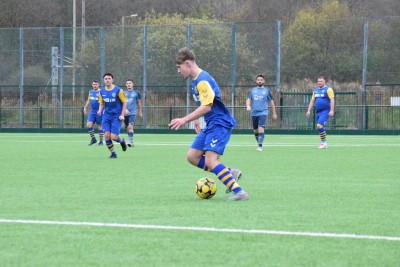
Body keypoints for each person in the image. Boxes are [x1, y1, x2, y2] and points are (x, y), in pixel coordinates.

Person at [168, 47, 248, 201]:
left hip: (219, 123)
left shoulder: (202, 80)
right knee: (193, 156)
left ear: (188, 64)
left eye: (179, 67)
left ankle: (239, 192)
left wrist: (185, 119)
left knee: (211, 160)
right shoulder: (195, 81)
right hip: (211, 123)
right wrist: (197, 119)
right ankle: (230, 173)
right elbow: (203, 103)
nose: (178, 71)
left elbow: (207, 106)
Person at [97, 73, 128, 158]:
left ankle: (121, 141)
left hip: (116, 116)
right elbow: (102, 103)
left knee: (113, 137)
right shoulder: (101, 91)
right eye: (106, 78)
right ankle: (113, 153)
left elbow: (124, 102)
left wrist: (122, 114)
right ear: (104, 80)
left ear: (112, 80)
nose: (107, 80)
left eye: (109, 78)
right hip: (106, 116)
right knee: (107, 135)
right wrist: (99, 110)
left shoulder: (118, 90)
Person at [246, 74, 277, 151]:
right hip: (254, 113)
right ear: (256, 81)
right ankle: (260, 144)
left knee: (261, 129)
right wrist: (248, 106)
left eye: (261, 80)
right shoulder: (252, 91)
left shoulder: (267, 91)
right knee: (255, 131)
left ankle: (260, 146)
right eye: (258, 80)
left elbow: (271, 102)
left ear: (264, 81)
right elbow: (248, 100)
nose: (260, 81)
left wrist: (274, 113)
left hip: (263, 113)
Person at [306, 76, 335, 149]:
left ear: (324, 82)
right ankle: (324, 142)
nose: (319, 82)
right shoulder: (315, 90)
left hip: (325, 111)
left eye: (321, 81)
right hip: (318, 112)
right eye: (318, 81)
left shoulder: (328, 89)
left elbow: (332, 100)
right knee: (320, 127)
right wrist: (308, 110)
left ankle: (324, 143)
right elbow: (312, 101)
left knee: (319, 125)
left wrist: (331, 110)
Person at [83, 80, 104, 146]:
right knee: (89, 124)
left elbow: (103, 102)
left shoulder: (101, 92)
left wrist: (100, 110)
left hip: (99, 111)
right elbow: (89, 100)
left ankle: (101, 141)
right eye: (93, 84)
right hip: (92, 111)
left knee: (99, 125)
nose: (94, 85)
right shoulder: (90, 91)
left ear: (98, 85)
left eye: (96, 84)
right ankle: (93, 139)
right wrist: (85, 107)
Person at [123, 79, 142, 147]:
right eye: (127, 83)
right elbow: (121, 103)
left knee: (130, 127)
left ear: (133, 84)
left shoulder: (136, 93)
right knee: (128, 127)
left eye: (130, 83)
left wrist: (140, 112)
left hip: (133, 112)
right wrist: (124, 110)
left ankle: (131, 142)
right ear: (126, 85)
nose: (128, 84)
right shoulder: (123, 93)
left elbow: (139, 102)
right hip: (125, 113)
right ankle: (131, 140)